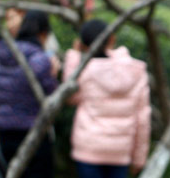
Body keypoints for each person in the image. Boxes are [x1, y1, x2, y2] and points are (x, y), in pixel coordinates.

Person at [63, 19, 151, 178]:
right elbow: (142, 118)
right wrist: (139, 157)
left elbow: (70, 97)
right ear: (111, 39)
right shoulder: (135, 71)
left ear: (82, 44)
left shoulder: (85, 71)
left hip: (89, 147)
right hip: (121, 151)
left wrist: (74, 56)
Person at [0, 10, 59, 178]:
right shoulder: (39, 58)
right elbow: (51, 97)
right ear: (43, 33)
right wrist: (54, 74)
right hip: (33, 131)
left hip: (4, 130)